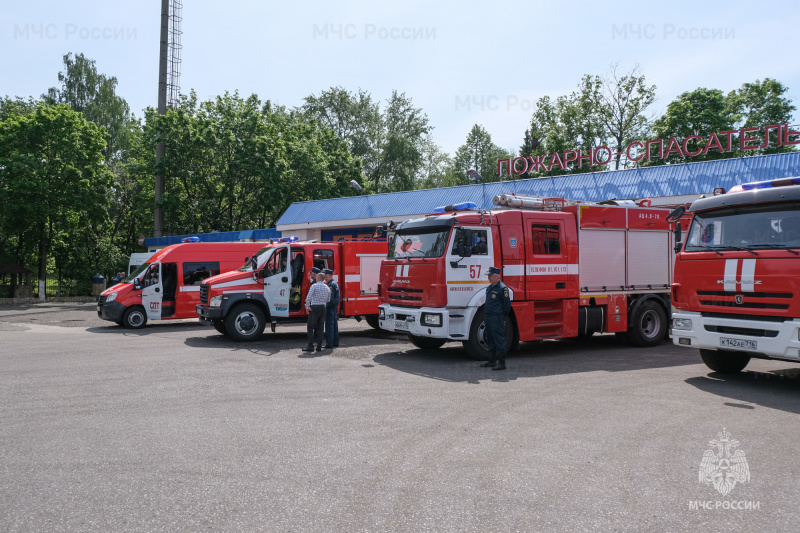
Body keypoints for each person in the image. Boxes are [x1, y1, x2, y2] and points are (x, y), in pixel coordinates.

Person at [480, 266, 512, 371]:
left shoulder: (503, 289)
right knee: (490, 338)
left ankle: (501, 363)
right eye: (488, 276)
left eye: (490, 276)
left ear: (496, 276)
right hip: (489, 316)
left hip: (497, 317)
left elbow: (507, 306)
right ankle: (492, 361)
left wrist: (501, 317)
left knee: (499, 339)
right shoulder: (490, 288)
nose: (488, 278)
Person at [302, 271, 330, 352]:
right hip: (323, 308)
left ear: (318, 278)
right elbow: (328, 299)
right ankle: (319, 346)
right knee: (321, 327)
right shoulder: (327, 287)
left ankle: (310, 346)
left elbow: (308, 298)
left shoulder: (314, 286)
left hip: (315, 308)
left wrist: (307, 307)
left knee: (310, 327)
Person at [323, 269, 340, 348]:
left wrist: (327, 306)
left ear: (330, 276)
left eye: (326, 277)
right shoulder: (335, 284)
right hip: (334, 307)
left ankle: (329, 344)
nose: (325, 278)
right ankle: (335, 343)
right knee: (334, 326)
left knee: (329, 326)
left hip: (330, 308)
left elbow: (330, 298)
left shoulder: (330, 285)